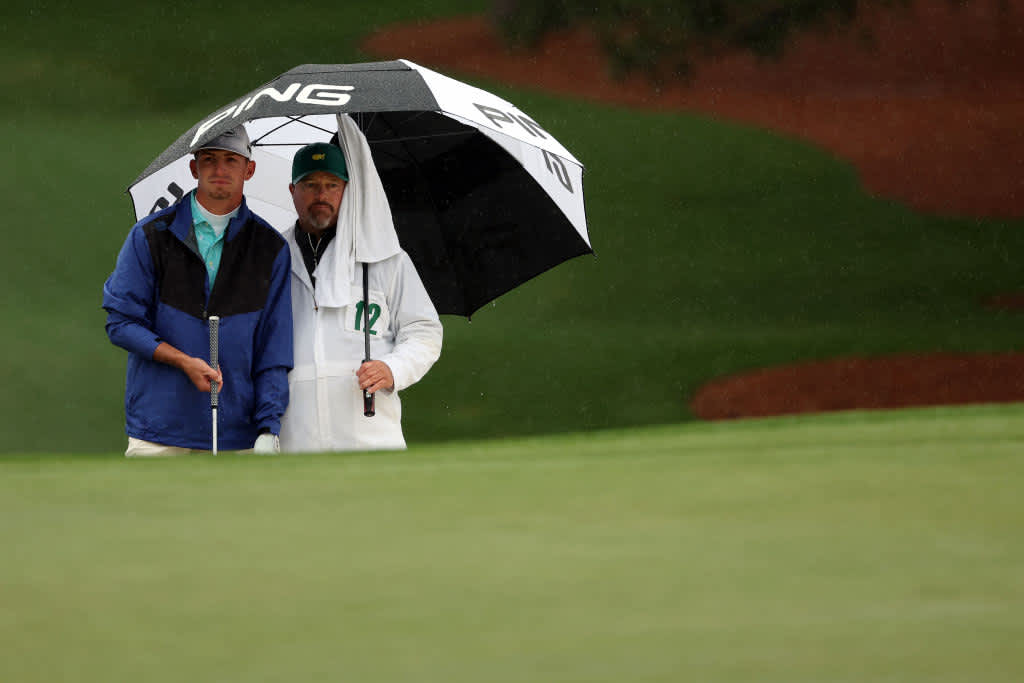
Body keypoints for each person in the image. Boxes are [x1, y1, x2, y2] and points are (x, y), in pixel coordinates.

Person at [103, 125, 292, 456]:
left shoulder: (271, 248)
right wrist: (183, 361)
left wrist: (268, 427)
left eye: (231, 160)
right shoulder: (149, 236)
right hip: (159, 428)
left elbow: (273, 348)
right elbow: (121, 324)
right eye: (209, 159)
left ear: (250, 169)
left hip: (239, 434)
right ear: (194, 167)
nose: (220, 170)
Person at [279, 116, 442, 451]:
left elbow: (424, 331)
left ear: (348, 190)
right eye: (310, 184)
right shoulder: (270, 257)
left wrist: (392, 368)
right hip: (296, 442)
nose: (321, 195)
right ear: (292, 191)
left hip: (372, 439)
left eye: (332, 185)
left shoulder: (385, 258)